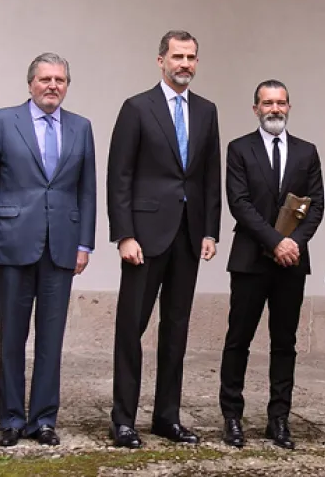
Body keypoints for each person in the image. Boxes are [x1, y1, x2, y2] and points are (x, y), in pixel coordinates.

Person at [107, 30, 221, 449]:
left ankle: (166, 418)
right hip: (144, 238)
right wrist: (124, 234)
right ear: (161, 61)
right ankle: (123, 420)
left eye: (191, 57)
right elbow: (119, 176)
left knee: (176, 329)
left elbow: (210, 176)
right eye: (177, 56)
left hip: (189, 237)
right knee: (130, 328)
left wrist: (210, 229)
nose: (185, 64)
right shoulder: (137, 108)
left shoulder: (207, 111)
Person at [0, 52, 96, 447]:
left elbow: (87, 190)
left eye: (60, 80)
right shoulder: (2, 121)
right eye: (45, 79)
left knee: (51, 337)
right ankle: (10, 418)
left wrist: (84, 243)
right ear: (30, 84)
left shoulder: (81, 127)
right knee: (12, 335)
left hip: (61, 244)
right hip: (11, 241)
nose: (52, 86)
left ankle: (43, 418)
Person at [218, 80, 324, 450]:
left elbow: (316, 206)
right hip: (250, 261)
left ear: (289, 107)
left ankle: (279, 419)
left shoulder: (307, 152)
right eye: (267, 103)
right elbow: (239, 203)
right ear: (255, 109)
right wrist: (275, 241)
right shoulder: (239, 149)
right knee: (238, 341)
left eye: (280, 103)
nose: (274, 109)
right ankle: (232, 416)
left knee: (285, 343)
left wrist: (293, 243)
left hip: (291, 263)